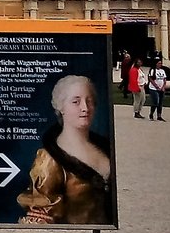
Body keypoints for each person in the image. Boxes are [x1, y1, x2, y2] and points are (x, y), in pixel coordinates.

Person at [17, 74, 114, 225]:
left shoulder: (104, 147)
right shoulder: (49, 159)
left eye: (89, 101)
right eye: (76, 102)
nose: (85, 108)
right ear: (61, 107)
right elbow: (40, 219)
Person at [146, 57, 168, 121]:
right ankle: (151, 114)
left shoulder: (162, 71)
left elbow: (164, 79)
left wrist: (163, 87)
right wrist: (156, 87)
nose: (160, 64)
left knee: (160, 103)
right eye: (159, 63)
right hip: (153, 89)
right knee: (156, 102)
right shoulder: (153, 70)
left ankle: (159, 115)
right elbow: (151, 79)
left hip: (161, 89)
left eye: (161, 63)